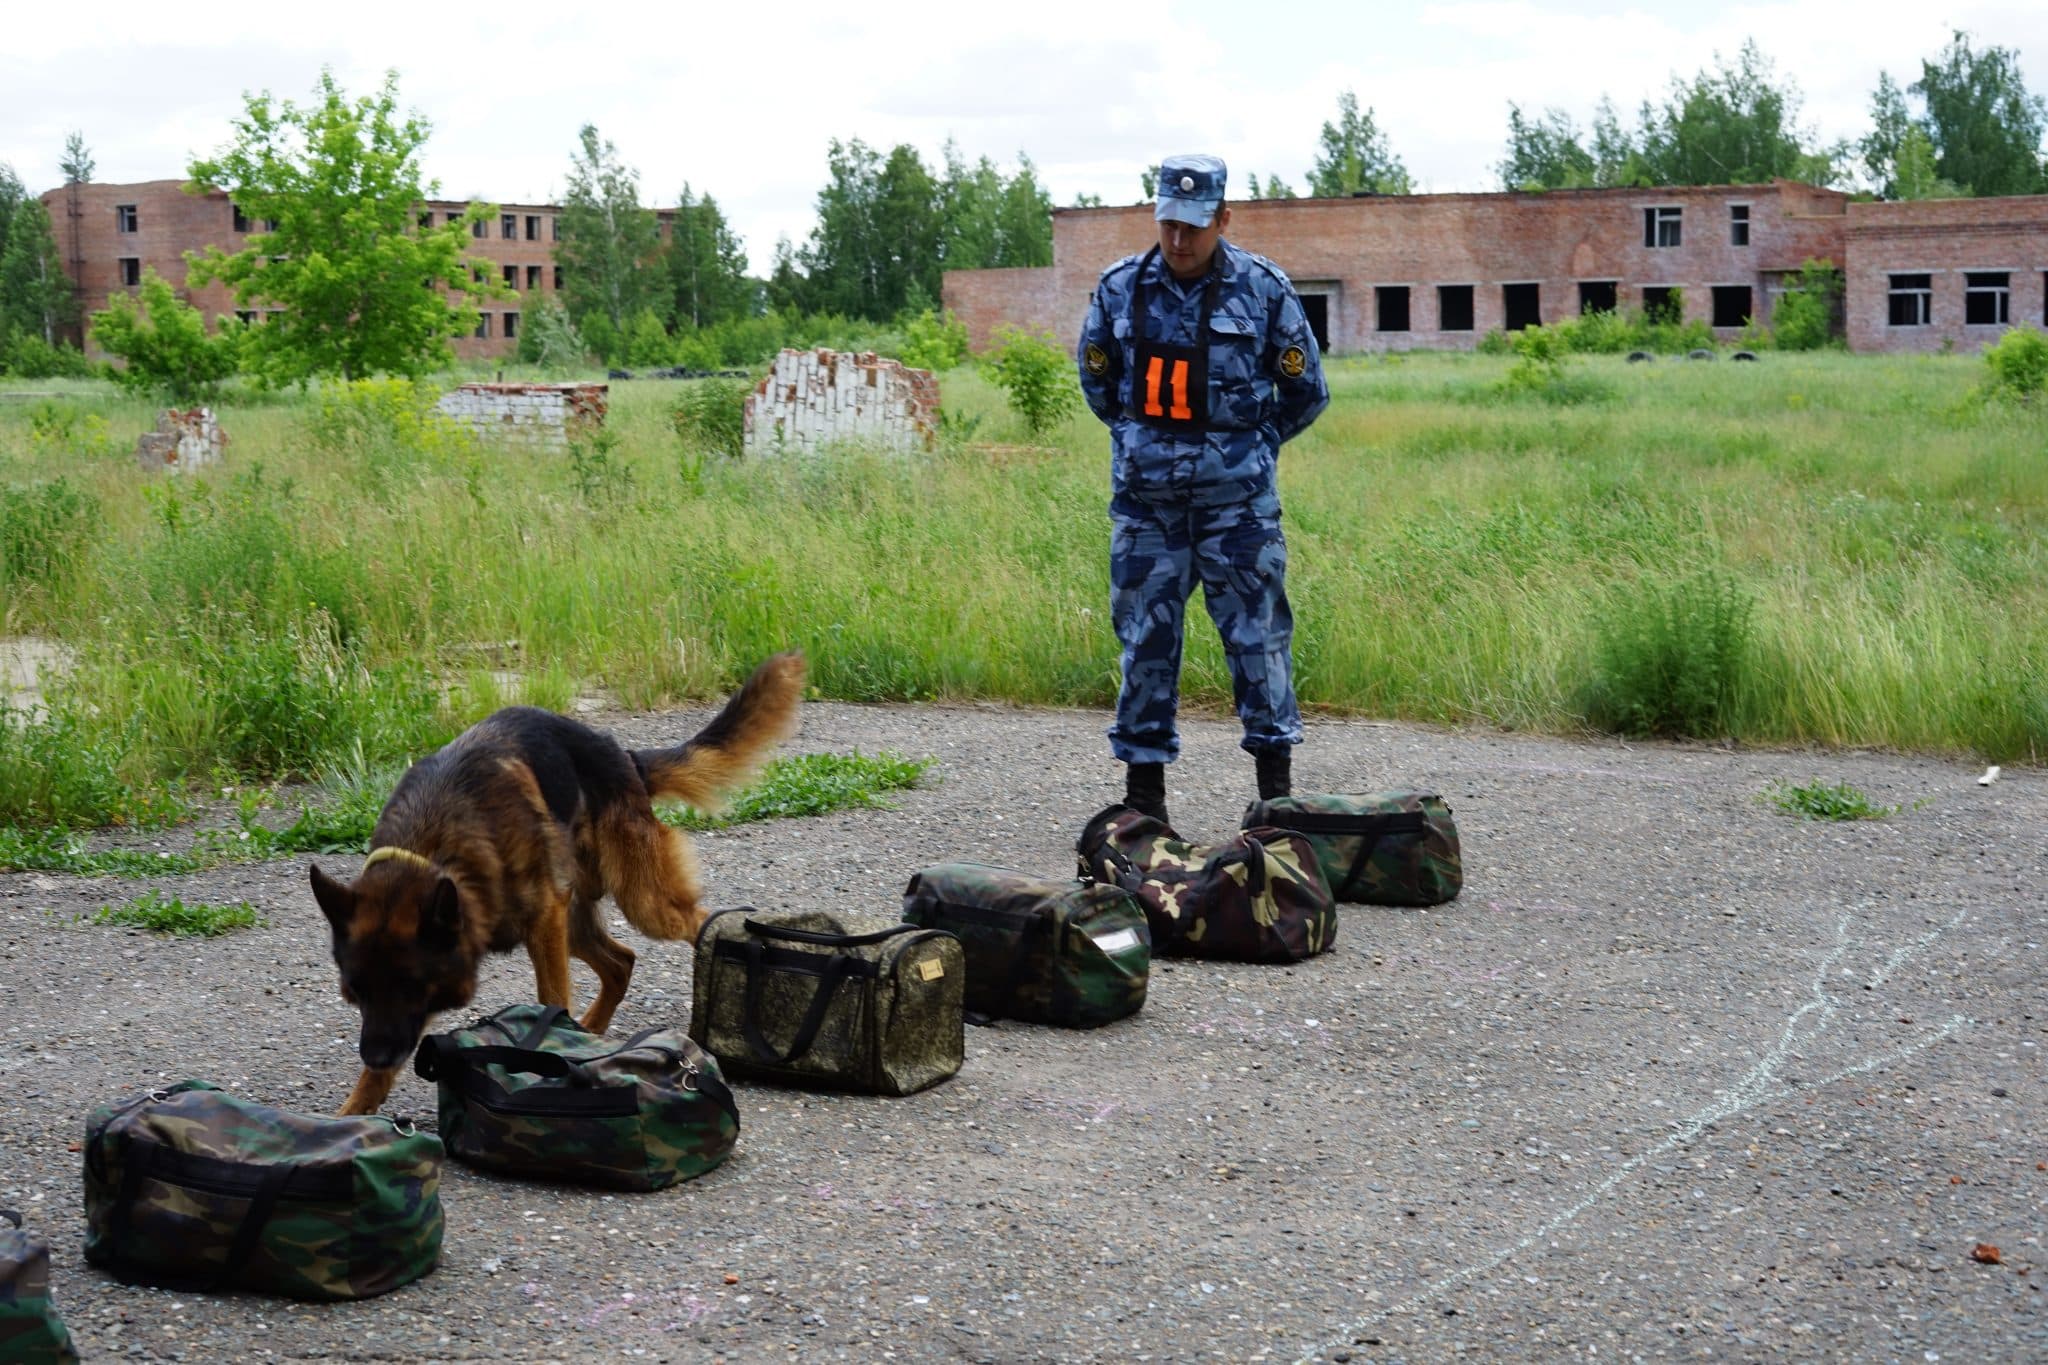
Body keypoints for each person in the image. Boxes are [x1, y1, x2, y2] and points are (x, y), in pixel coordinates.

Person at [1075, 154, 1329, 829]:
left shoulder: (1263, 289)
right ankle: (1144, 805)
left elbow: (1307, 391)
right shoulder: (1118, 289)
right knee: (1145, 649)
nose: (1179, 239)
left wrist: (1251, 447)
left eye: (1193, 225)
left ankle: (1276, 803)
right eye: (1167, 223)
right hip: (1148, 511)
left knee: (1258, 644)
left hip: (1237, 511)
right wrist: (1145, 447)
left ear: (1222, 217)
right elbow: (1100, 386)